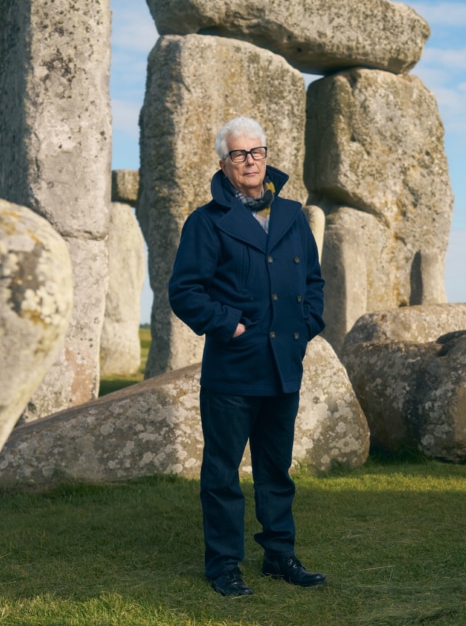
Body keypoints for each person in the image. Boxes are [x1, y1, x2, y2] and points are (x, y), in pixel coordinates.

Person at [168, 116, 327, 597]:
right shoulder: (206, 221)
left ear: (266, 155)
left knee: (276, 471)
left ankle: (280, 555)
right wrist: (228, 324)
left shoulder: (294, 216)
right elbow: (185, 291)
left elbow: (314, 284)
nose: (250, 161)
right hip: (233, 370)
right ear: (224, 163)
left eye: (257, 152)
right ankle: (223, 566)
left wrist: (306, 326)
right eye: (239, 154)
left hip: (284, 366)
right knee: (222, 475)